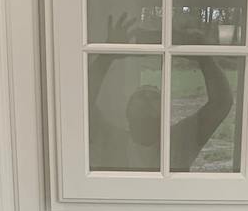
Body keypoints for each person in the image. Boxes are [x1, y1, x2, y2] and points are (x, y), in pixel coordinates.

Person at [89, 13, 234, 172]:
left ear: (165, 112)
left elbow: (221, 103)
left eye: (155, 97)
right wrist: (106, 56)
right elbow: (80, 102)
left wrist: (204, 57)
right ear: (127, 112)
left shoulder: (179, 140)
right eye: (140, 96)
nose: (146, 98)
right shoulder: (109, 138)